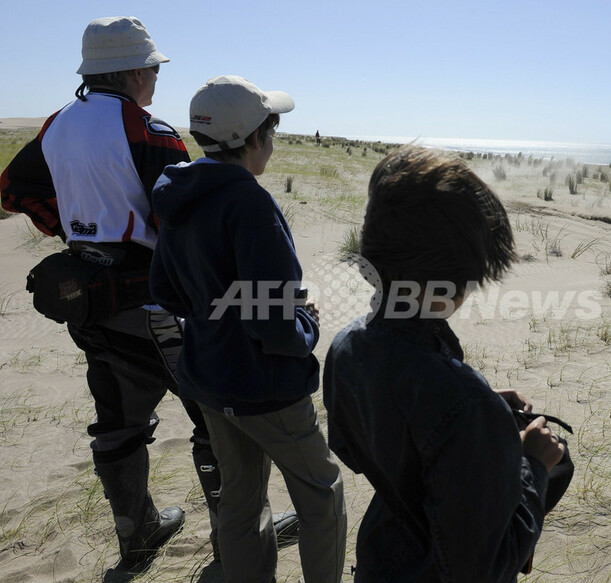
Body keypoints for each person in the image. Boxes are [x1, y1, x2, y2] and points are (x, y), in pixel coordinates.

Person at [0, 17, 296, 574]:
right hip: (154, 305)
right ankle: (234, 536)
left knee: (117, 420)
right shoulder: (149, 131)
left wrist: (72, 232)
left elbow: (13, 190)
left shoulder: (57, 125)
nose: (156, 79)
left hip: (87, 297)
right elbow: (182, 220)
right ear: (138, 71)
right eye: (154, 69)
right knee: (216, 418)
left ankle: (135, 536)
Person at [323, 145, 567, 582]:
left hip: (381, 557)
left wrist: (471, 413)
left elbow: (352, 449)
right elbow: (485, 566)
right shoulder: (466, 406)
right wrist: (533, 463)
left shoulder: (344, 348)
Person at [149, 75, 347, 583]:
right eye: (272, 133)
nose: (273, 145)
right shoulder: (250, 204)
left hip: (209, 379)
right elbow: (274, 326)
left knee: (241, 498)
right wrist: (307, 321)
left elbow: (168, 293)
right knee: (321, 493)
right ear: (253, 139)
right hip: (266, 387)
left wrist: (220, 307)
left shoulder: (177, 195)